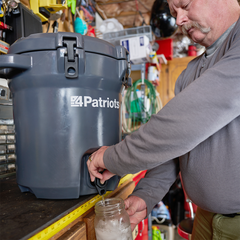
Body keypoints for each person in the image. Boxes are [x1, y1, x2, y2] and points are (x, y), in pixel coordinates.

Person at [87, 0, 240, 239]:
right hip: (205, 216)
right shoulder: (190, 72)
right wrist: (146, 195)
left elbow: (182, 124)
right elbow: (174, 150)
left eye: (185, 5)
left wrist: (110, 158)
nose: (178, 20)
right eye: (173, 12)